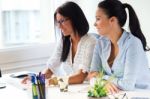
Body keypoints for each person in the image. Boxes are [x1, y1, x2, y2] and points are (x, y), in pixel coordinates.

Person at [22, 1, 96, 85]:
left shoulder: (90, 42)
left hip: (85, 90)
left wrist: (55, 81)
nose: (59, 26)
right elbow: (51, 68)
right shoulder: (64, 41)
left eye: (62, 21)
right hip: (69, 88)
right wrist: (36, 78)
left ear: (74, 19)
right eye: (58, 22)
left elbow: (80, 77)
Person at [88, 0, 150, 93]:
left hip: (138, 95)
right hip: (116, 94)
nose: (94, 23)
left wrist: (102, 78)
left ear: (112, 20)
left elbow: (127, 85)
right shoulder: (100, 43)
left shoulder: (133, 43)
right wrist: (102, 82)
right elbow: (92, 75)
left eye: (98, 19)